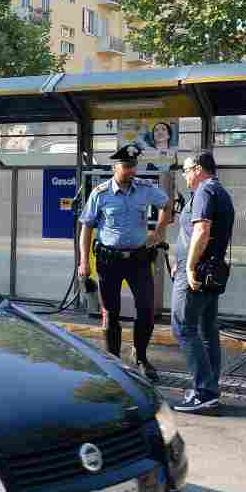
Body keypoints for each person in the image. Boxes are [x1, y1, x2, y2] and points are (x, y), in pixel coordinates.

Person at [77, 144, 176, 381]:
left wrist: (158, 231)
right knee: (111, 313)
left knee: (146, 309)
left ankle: (140, 356)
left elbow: (167, 205)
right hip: (108, 260)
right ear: (115, 167)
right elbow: (87, 227)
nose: (131, 171)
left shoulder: (144, 188)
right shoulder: (100, 193)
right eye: (127, 166)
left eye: (134, 166)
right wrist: (83, 261)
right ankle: (113, 362)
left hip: (139, 259)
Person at [171, 150, 235, 413]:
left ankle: (204, 391)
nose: (184, 176)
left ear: (198, 169)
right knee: (207, 331)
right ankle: (209, 387)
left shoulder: (205, 191)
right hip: (211, 271)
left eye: (186, 171)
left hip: (196, 274)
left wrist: (188, 266)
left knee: (184, 328)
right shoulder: (220, 191)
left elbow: (202, 229)